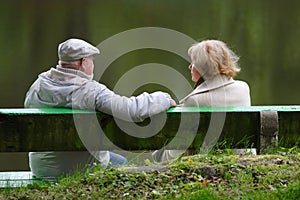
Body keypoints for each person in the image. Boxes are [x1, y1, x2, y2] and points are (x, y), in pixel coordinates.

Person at [24, 38, 176, 180]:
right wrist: (164, 98)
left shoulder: (38, 85)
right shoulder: (92, 91)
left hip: (43, 168)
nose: (93, 65)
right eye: (91, 61)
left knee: (116, 160)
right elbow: (131, 110)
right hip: (80, 169)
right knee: (121, 163)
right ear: (83, 62)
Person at [153, 39, 251, 162]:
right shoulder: (243, 88)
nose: (189, 67)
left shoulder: (194, 101)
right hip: (241, 157)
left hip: (207, 160)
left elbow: (179, 147)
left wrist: (159, 157)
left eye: (193, 63)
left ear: (202, 68)